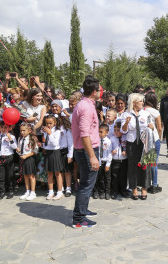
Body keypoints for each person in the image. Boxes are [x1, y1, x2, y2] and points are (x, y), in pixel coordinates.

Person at [72, 76, 101, 228]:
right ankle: (78, 218)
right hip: (86, 150)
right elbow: (84, 134)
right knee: (86, 185)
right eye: (100, 89)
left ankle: (83, 209)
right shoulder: (86, 107)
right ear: (94, 91)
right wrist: (92, 156)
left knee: (87, 183)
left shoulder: (85, 104)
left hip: (84, 149)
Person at [121, 93, 152, 200]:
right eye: (140, 101)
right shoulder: (126, 114)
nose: (142, 103)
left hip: (145, 141)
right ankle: (134, 188)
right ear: (134, 103)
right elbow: (123, 131)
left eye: (142, 101)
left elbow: (151, 127)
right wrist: (126, 123)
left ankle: (144, 188)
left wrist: (151, 127)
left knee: (145, 165)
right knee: (132, 166)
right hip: (132, 142)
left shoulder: (146, 114)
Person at [0, 121, 18, 200]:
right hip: (0, 157)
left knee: (10, 175)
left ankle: (10, 190)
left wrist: (10, 139)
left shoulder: (12, 137)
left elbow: (15, 147)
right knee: (1, 176)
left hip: (9, 157)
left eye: (5, 127)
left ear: (9, 128)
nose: (3, 129)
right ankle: (1, 191)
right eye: (2, 127)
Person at [42, 114, 64, 200]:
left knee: (57, 173)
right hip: (48, 152)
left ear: (55, 122)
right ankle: (50, 191)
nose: (48, 125)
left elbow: (55, 143)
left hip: (55, 152)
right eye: (47, 123)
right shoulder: (45, 131)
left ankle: (59, 192)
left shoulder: (57, 131)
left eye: (50, 123)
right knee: (49, 173)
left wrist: (50, 133)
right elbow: (46, 143)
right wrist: (42, 145)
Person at [144, 92, 163, 194]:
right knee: (154, 162)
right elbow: (159, 128)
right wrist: (159, 138)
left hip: (144, 139)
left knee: (146, 161)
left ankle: (145, 183)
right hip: (154, 138)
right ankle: (154, 184)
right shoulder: (155, 112)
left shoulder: (142, 110)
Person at [17, 122, 38, 201]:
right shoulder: (20, 139)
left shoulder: (32, 139)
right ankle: (27, 191)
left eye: (24, 130)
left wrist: (26, 156)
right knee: (25, 175)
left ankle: (33, 192)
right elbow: (19, 149)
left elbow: (35, 151)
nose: (22, 132)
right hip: (22, 158)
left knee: (31, 176)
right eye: (21, 131)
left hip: (29, 159)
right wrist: (18, 151)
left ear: (29, 131)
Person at [94, 124, 112, 200]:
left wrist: (108, 164)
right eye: (98, 132)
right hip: (98, 162)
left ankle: (107, 192)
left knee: (107, 179)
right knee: (100, 178)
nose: (99, 134)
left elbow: (109, 153)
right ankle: (101, 192)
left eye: (101, 132)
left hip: (106, 162)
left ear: (107, 132)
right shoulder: (96, 141)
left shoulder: (108, 141)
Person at [110, 123, 126, 199]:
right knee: (115, 176)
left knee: (123, 177)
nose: (116, 132)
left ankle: (123, 190)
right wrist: (111, 152)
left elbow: (128, 147)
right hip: (115, 160)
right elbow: (108, 149)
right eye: (115, 130)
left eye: (118, 130)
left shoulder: (125, 138)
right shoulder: (112, 139)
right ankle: (114, 191)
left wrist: (127, 152)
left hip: (123, 160)